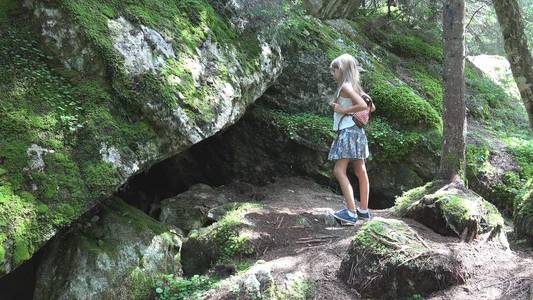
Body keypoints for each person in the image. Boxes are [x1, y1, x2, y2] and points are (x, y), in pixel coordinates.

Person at [328, 53, 375, 224]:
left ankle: (351, 212)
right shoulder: (356, 88)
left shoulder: (346, 87)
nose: (332, 74)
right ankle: (363, 210)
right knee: (360, 170)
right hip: (358, 133)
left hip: (348, 131)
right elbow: (371, 106)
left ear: (341, 69)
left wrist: (342, 110)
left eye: (334, 70)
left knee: (339, 171)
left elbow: (363, 106)